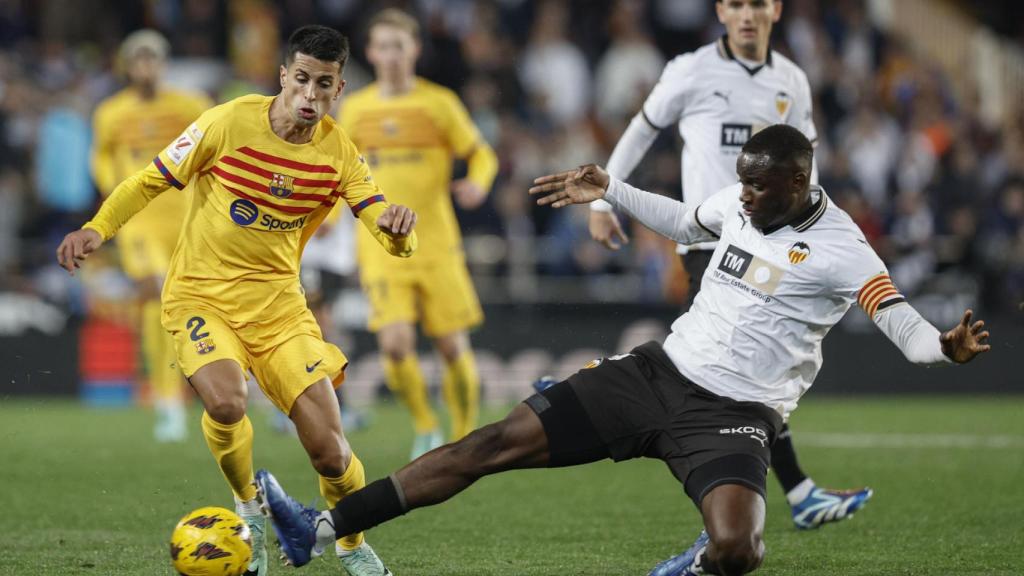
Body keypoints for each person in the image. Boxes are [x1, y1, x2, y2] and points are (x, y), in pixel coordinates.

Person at [254, 125, 991, 575]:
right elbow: (683, 218)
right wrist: (611, 189)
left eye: (761, 192)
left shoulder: (842, 250)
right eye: (742, 188)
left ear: (799, 183)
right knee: (488, 444)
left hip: (734, 417)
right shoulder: (739, 203)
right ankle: (317, 531)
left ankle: (698, 563)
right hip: (655, 374)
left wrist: (943, 346)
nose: (745, 200)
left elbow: (897, 321)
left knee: (739, 551)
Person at [57, 25, 416, 576]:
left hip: (278, 308)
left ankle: (351, 545)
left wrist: (397, 230)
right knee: (226, 402)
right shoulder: (226, 121)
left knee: (333, 455)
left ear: (338, 89)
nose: (310, 95)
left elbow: (386, 229)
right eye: (301, 79)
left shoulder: (339, 154)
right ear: (283, 76)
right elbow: (150, 180)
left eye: (324, 84)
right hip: (200, 295)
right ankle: (248, 504)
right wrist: (97, 228)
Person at [588, 0, 868, 529]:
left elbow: (806, 166)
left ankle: (598, 383)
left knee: (747, 372)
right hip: (709, 242)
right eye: (735, 3)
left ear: (775, 10)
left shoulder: (792, 80)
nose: (746, 14)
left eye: (756, 3)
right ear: (720, 10)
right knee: (731, 377)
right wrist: (605, 200)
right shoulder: (690, 70)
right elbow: (642, 129)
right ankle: (785, 498)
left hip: (773, 247)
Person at [337, 8, 498, 460]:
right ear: (370, 52)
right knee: (394, 343)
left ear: (414, 50)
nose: (390, 55)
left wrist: (477, 184)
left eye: (399, 46)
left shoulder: (438, 103)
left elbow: (482, 155)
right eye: (383, 46)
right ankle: (426, 425)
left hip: (438, 244)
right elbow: (336, 167)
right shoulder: (357, 109)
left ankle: (464, 435)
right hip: (381, 245)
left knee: (450, 346)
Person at [91, 29, 212, 442]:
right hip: (140, 219)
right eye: (138, 60)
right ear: (127, 66)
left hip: (185, 217)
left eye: (153, 59)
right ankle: (166, 400)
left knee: (183, 305)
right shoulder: (110, 112)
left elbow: (215, 145)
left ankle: (196, 391)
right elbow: (102, 156)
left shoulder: (190, 105)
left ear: (163, 64)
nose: (146, 67)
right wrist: (113, 188)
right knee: (153, 294)